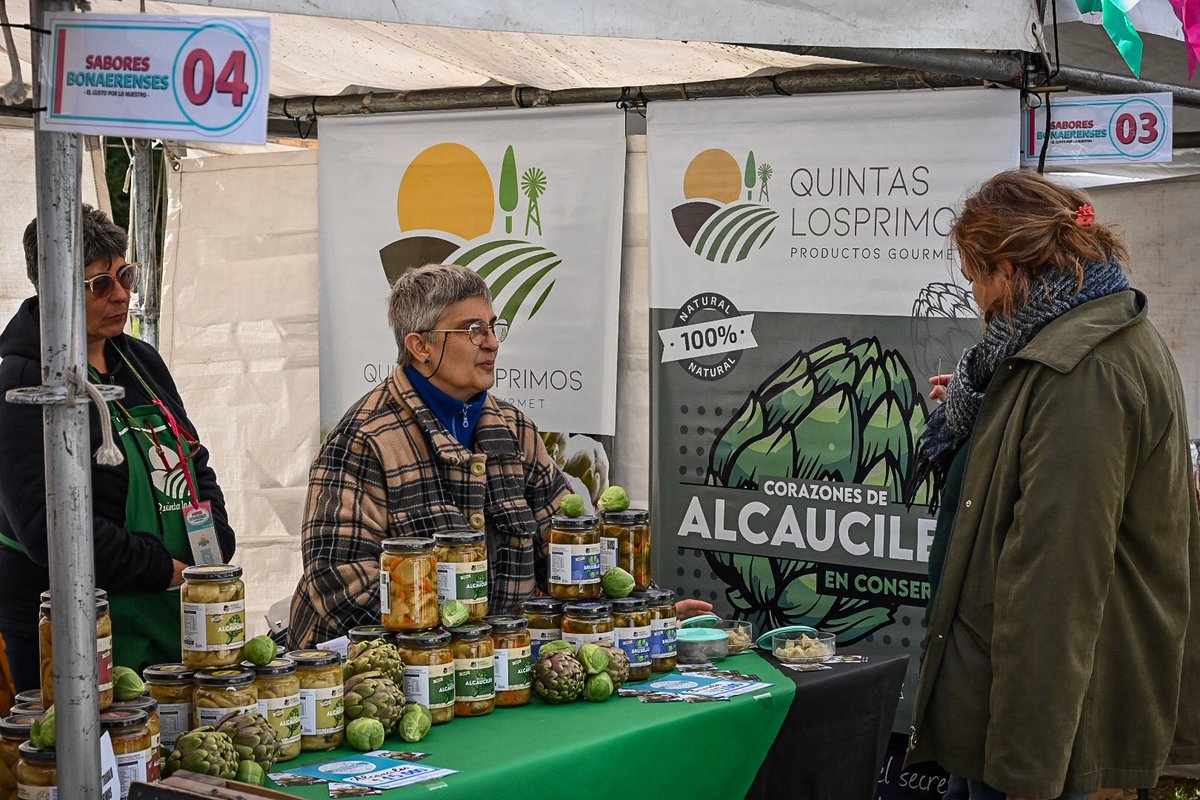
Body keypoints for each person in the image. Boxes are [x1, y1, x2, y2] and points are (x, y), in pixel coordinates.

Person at [905, 170, 1200, 800]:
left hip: (1053, 734)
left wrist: (1026, 767)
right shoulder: (1058, 344)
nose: (975, 299)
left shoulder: (1081, 372)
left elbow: (1055, 581)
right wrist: (992, 410)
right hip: (1004, 707)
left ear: (1008, 273)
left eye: (975, 278)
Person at [289, 264, 710, 647]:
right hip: (374, 681)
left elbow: (566, 554)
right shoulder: (364, 439)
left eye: (493, 327)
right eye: (473, 329)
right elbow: (338, 586)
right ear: (420, 346)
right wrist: (457, 647)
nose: (492, 343)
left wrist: (635, 614)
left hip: (500, 677)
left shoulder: (516, 430)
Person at [0, 205, 235, 686]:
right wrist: (160, 568)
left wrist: (213, 543)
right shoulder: (22, 383)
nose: (123, 295)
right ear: (54, 291)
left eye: (125, 275)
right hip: (72, 625)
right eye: (100, 285)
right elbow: (49, 530)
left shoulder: (140, 359)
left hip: (170, 606)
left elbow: (191, 457)